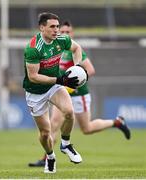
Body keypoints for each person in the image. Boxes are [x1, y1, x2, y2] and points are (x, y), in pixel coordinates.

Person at [28, 20, 131, 167]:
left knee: (87, 129)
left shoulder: (74, 50)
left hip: (78, 93)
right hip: (60, 91)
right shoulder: (55, 48)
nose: (63, 34)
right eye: (61, 31)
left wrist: (76, 81)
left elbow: (90, 70)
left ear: (72, 34)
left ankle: (117, 122)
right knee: (54, 123)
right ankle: (47, 157)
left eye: (67, 32)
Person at [23, 13, 88, 173]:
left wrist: (77, 67)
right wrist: (60, 80)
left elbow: (76, 48)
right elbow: (33, 77)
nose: (56, 30)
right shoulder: (33, 48)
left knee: (69, 112)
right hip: (35, 91)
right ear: (42, 27)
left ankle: (66, 144)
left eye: (57, 26)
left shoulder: (61, 39)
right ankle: (50, 157)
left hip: (54, 86)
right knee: (45, 133)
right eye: (52, 26)